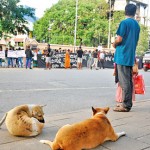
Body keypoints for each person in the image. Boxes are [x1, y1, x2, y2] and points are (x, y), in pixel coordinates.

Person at [112, 4, 140, 112]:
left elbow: (119, 39)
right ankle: (126, 103)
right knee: (128, 80)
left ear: (125, 11)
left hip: (122, 55)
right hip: (130, 55)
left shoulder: (124, 23)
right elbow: (135, 42)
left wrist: (114, 44)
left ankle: (126, 105)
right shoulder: (137, 25)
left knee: (124, 82)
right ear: (134, 12)